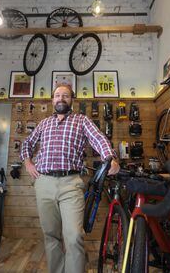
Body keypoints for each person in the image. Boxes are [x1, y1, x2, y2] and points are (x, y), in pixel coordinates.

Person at [20, 85, 120, 273]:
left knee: (74, 236)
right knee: (51, 235)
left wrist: (110, 158)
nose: (60, 98)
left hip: (71, 184)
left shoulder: (81, 120)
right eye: (57, 95)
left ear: (71, 100)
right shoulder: (43, 124)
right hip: (44, 183)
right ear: (52, 100)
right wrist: (28, 163)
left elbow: (98, 138)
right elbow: (27, 144)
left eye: (65, 96)